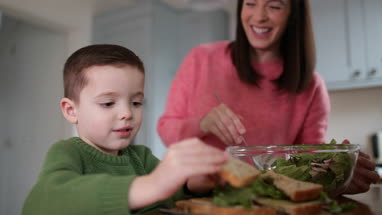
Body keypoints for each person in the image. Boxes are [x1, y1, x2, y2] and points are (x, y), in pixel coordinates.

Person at [157, 0, 379, 194]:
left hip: (271, 200)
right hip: (199, 195)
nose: (259, 16)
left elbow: (308, 162)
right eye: (250, 3)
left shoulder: (312, 86)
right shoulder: (201, 58)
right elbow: (166, 130)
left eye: (274, 5)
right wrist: (202, 124)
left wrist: (335, 173)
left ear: (293, 14)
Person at [22, 44, 229, 215]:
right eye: (108, 103)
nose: (127, 113)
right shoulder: (68, 152)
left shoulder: (142, 158)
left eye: (136, 103)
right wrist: (152, 184)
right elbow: (42, 201)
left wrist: (191, 185)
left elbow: (169, 196)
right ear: (71, 110)